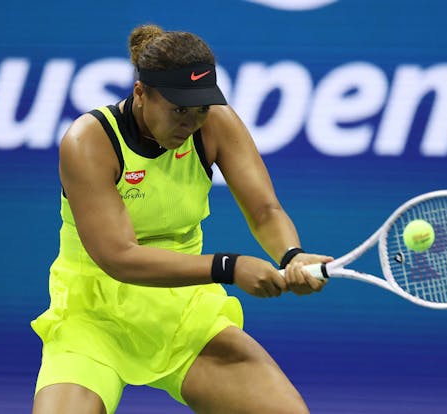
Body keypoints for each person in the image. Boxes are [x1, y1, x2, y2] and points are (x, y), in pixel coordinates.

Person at [31, 23, 332, 414]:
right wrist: (230, 267)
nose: (191, 122)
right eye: (178, 109)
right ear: (141, 93)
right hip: (92, 320)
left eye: (201, 108)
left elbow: (265, 210)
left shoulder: (215, 125)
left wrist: (292, 255)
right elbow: (119, 256)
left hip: (183, 316)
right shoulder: (89, 141)